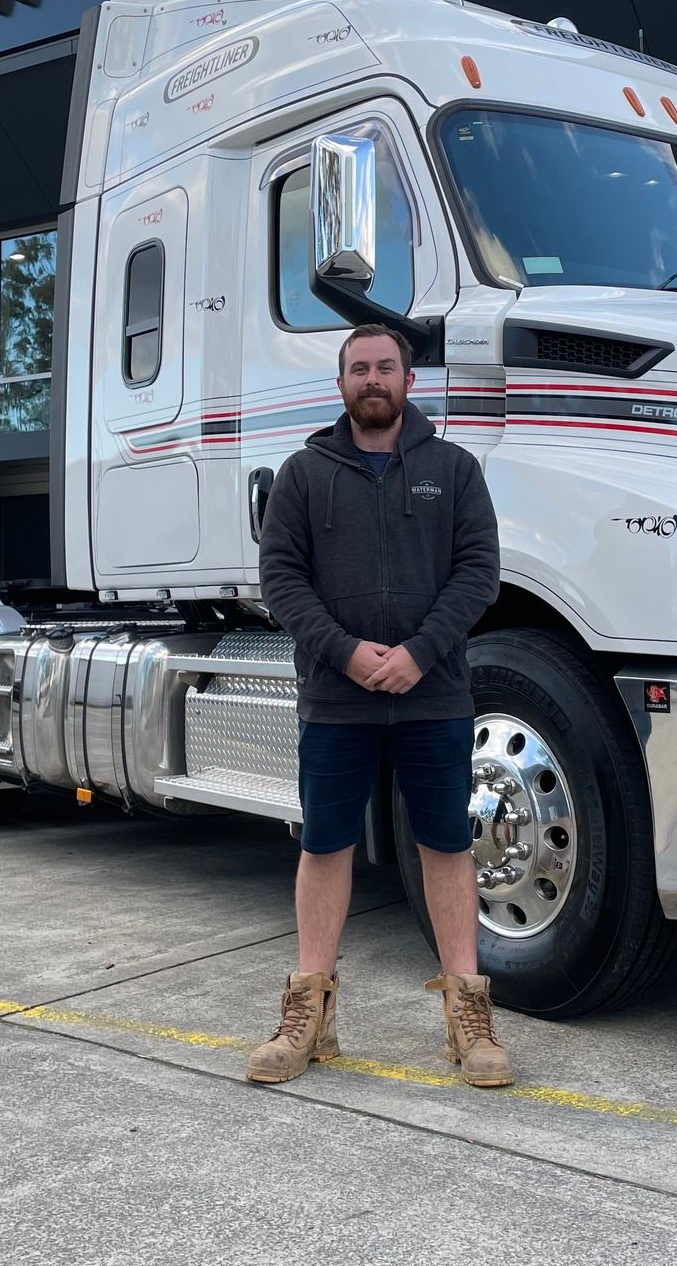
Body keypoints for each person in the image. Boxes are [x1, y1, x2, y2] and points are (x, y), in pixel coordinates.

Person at [250, 322, 510, 1088]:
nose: (372, 379)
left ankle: (469, 1019)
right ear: (340, 385)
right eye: (358, 368)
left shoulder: (454, 469)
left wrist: (419, 653)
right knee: (325, 844)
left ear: (409, 381)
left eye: (385, 367)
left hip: (434, 695)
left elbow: (479, 574)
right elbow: (281, 581)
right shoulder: (304, 474)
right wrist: (349, 653)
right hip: (336, 697)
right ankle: (309, 1018)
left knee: (446, 845)